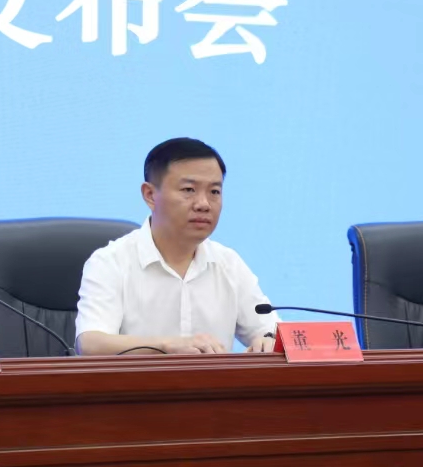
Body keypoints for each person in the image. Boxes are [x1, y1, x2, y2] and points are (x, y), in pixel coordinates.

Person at [75, 138, 278, 355]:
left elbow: (272, 332)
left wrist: (268, 342)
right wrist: (165, 346)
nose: (203, 204)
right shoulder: (110, 262)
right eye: (189, 189)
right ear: (150, 195)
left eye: (214, 192)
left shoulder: (228, 264)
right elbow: (90, 344)